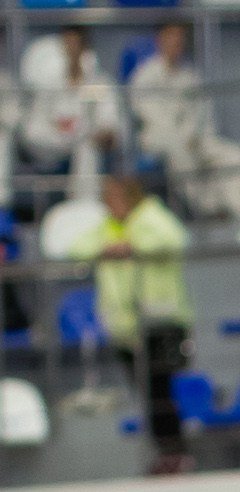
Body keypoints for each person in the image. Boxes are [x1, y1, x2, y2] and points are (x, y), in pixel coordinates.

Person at [70, 172, 191, 469]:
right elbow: (76, 248)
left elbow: (174, 240)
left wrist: (133, 246)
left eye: (114, 197)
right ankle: (162, 453)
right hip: (125, 326)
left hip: (160, 319)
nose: (109, 204)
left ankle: (175, 453)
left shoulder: (151, 216)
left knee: (160, 389)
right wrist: (106, 248)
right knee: (144, 392)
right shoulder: (109, 227)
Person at [127, 21, 240, 223]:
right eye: (172, 36)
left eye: (180, 37)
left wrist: (194, 136)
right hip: (161, 140)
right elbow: (152, 117)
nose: (176, 42)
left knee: (234, 155)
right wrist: (183, 136)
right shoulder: (144, 76)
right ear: (160, 39)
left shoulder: (191, 76)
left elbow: (204, 116)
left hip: (195, 138)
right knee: (179, 151)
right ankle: (210, 210)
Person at [18, 24, 122, 183]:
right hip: (53, 144)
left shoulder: (97, 82)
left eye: (76, 45)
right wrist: (59, 130)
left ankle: (84, 198)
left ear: (85, 47)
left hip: (84, 142)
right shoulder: (49, 83)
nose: (72, 50)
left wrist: (102, 132)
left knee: (87, 149)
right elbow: (35, 124)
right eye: (68, 45)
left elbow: (108, 119)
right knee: (32, 133)